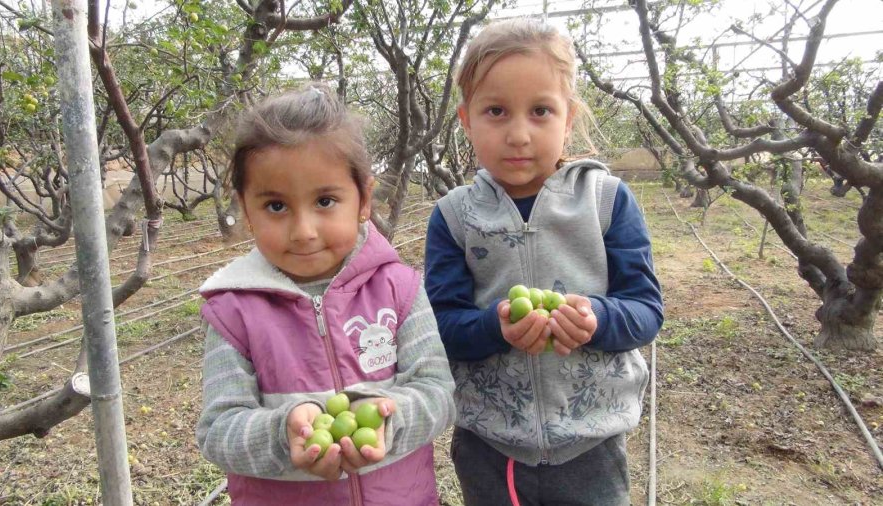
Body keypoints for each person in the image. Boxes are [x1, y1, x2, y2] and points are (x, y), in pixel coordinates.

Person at [424, 19, 663, 506]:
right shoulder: (453, 217)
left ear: (568, 117)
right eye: (495, 111)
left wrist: (597, 319)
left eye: (540, 111)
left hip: (590, 442)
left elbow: (645, 310)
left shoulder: (607, 201)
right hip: (490, 445)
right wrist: (494, 326)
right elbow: (440, 326)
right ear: (466, 119)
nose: (518, 134)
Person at [197, 84, 455, 505]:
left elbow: (438, 392)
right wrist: (284, 433)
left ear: (364, 199)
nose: (304, 231)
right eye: (276, 207)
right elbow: (219, 429)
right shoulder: (232, 311)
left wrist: (388, 418)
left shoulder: (399, 289)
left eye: (325, 200)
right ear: (246, 210)